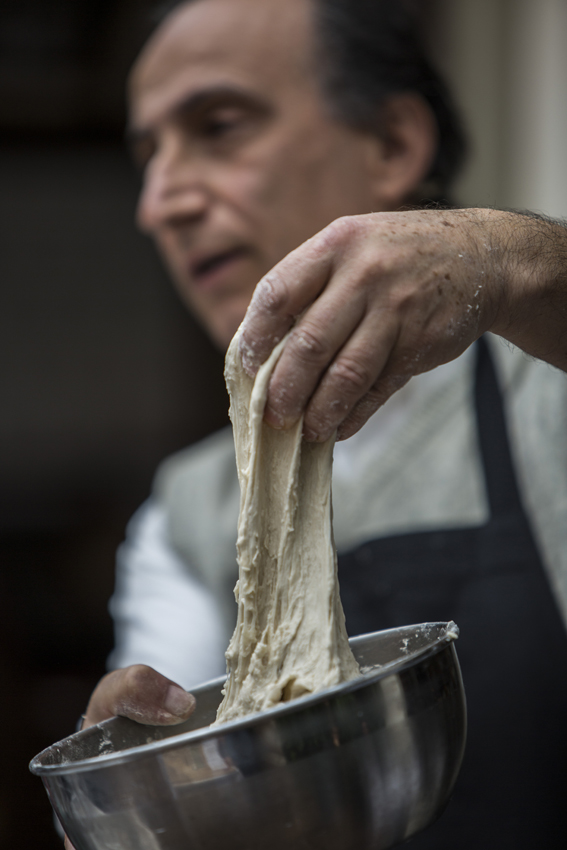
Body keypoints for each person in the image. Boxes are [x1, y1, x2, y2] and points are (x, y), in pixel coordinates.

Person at [71, 0, 567, 847]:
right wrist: (144, 787)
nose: (159, 203)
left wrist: (510, 259)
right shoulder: (182, 513)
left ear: (391, 146)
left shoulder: (544, 397)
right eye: (148, 158)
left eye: (218, 125)